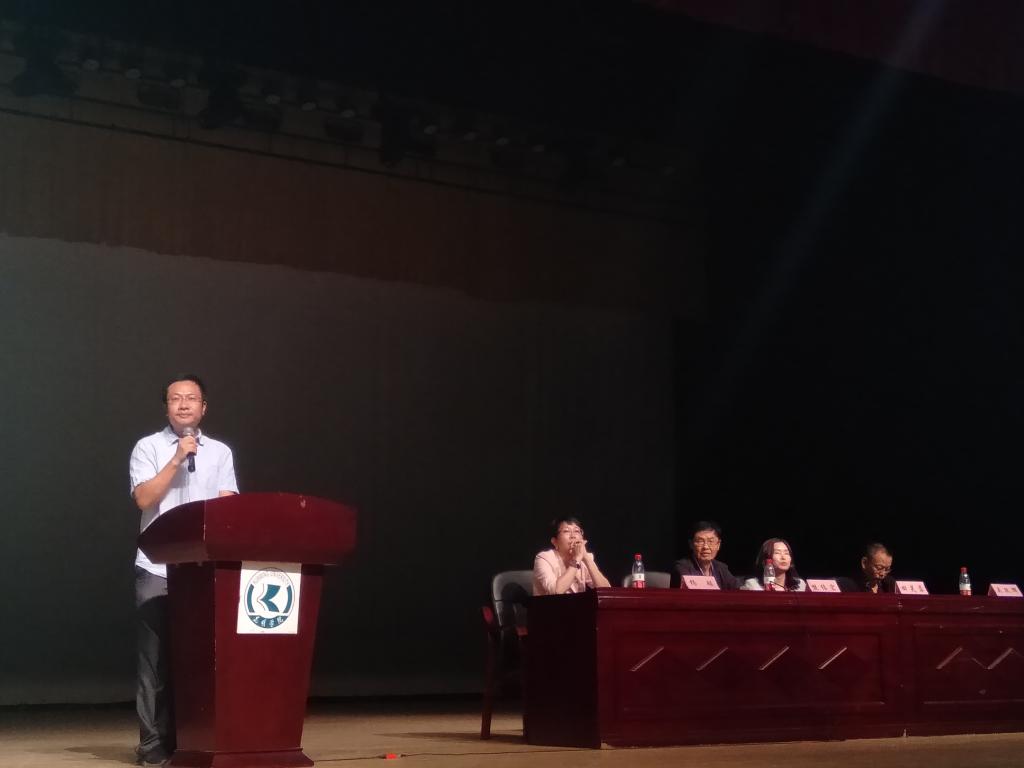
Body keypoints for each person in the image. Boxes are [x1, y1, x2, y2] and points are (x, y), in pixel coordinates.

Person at [130, 374, 238, 765]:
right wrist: (177, 458)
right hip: (157, 569)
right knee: (155, 662)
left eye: (191, 398)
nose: (184, 404)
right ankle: (152, 746)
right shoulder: (148, 447)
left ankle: (195, 740)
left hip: (203, 574)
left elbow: (227, 508)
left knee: (199, 660)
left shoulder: (220, 452)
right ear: (167, 408)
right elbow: (144, 499)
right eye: (176, 399)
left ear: (203, 408)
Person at [533, 516, 612, 595]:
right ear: (555, 542)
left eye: (577, 531)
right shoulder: (544, 558)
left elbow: (606, 591)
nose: (573, 536)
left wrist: (586, 559)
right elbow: (556, 591)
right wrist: (576, 559)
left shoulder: (584, 557)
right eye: (566, 531)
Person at [673, 520, 742, 590]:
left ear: (718, 545)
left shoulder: (721, 568)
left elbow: (738, 589)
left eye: (711, 541)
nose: (706, 547)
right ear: (691, 544)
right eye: (700, 541)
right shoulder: (682, 567)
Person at [741, 537, 806, 591]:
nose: (783, 557)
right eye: (777, 553)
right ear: (766, 558)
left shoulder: (800, 585)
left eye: (786, 553)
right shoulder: (753, 585)